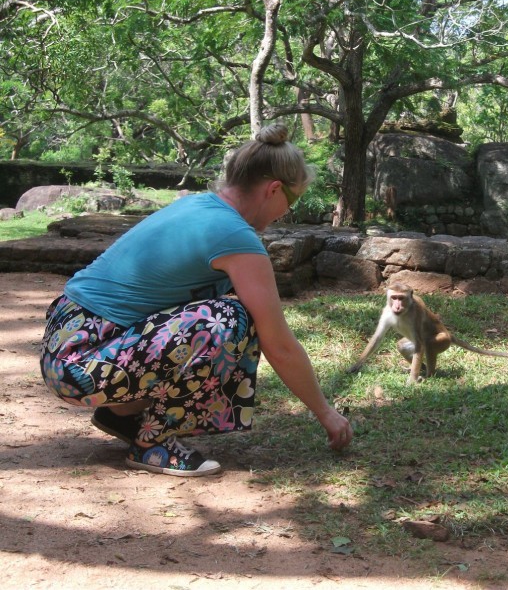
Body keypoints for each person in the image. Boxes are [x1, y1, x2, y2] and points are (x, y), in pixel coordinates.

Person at [40, 123, 353, 477]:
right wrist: (325, 412)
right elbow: (278, 344)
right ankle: (153, 445)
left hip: (66, 346)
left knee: (213, 315)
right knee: (229, 319)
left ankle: (122, 415)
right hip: (81, 362)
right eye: (291, 202)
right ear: (274, 189)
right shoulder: (234, 235)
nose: (286, 212)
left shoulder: (197, 205)